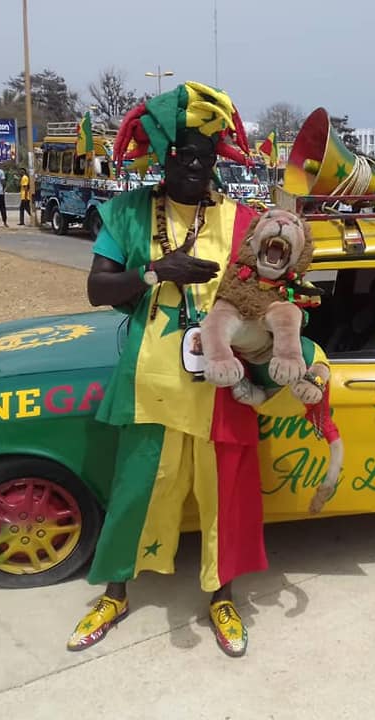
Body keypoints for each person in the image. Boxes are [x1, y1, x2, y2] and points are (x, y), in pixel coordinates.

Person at [67, 82, 267, 658]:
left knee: (222, 494)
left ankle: (222, 596)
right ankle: (114, 594)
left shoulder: (244, 218)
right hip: (151, 381)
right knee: (137, 491)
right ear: (162, 156)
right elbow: (97, 288)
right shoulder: (128, 212)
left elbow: (266, 295)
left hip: (221, 383)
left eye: (205, 156)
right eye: (182, 155)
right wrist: (156, 271)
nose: (195, 166)